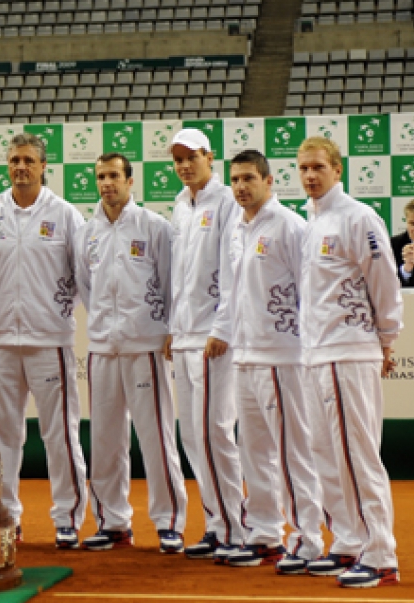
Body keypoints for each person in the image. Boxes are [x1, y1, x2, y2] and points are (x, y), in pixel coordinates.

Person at [297, 136, 403, 588]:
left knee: (357, 455)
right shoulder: (311, 221)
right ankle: (347, 541)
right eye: (303, 168)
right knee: (325, 453)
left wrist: (387, 336)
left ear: (337, 169)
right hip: (317, 353)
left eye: (318, 167)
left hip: (348, 349)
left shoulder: (359, 217)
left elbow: (385, 279)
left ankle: (380, 554)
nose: (309, 175)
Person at [0, 132, 88, 548]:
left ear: (43, 166)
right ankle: (6, 515)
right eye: (14, 160)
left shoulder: (66, 215)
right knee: (3, 433)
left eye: (28, 160)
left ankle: (67, 518)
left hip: (50, 341)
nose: (20, 167)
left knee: (60, 431)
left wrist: (61, 314)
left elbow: (83, 276)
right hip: (2, 340)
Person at [74, 153, 187, 553]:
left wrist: (169, 329)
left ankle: (169, 521)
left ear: (130, 180)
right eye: (101, 176)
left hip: (146, 346)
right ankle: (113, 522)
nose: (107, 183)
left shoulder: (155, 227)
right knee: (104, 440)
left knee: (156, 438)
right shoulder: (86, 233)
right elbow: (86, 287)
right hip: (103, 348)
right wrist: (104, 327)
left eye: (114, 176)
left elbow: (173, 281)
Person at [223, 150, 325, 572]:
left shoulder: (290, 226)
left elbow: (311, 292)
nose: (241, 187)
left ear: (268, 180)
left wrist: (306, 349)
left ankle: (309, 539)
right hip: (244, 357)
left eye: (249, 178)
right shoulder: (236, 227)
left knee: (292, 451)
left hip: (284, 357)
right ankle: (265, 534)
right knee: (254, 452)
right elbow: (231, 293)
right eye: (235, 180)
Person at [166, 128, 246, 562]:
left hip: (214, 338)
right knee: (194, 437)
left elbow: (234, 270)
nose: (183, 166)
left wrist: (223, 327)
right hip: (184, 337)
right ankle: (218, 523)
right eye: (176, 160)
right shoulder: (180, 206)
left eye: (190, 157)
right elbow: (180, 276)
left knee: (216, 431)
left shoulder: (228, 201)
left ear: (209, 156)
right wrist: (172, 329)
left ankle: (235, 525)